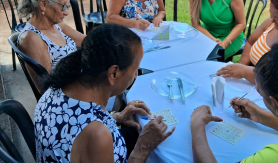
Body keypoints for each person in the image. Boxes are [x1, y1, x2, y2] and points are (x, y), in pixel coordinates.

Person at [35, 24, 175, 163]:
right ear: (113, 73)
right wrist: (143, 147)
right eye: (135, 69)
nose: (136, 75)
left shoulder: (58, 86)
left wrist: (116, 117)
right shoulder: (97, 133)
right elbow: (89, 132)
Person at [17, 0, 85, 73]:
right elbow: (46, 85)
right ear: (43, 3)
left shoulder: (58, 26)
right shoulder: (32, 38)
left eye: (67, 6)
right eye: (63, 6)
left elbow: (89, 42)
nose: (66, 12)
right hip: (71, 85)